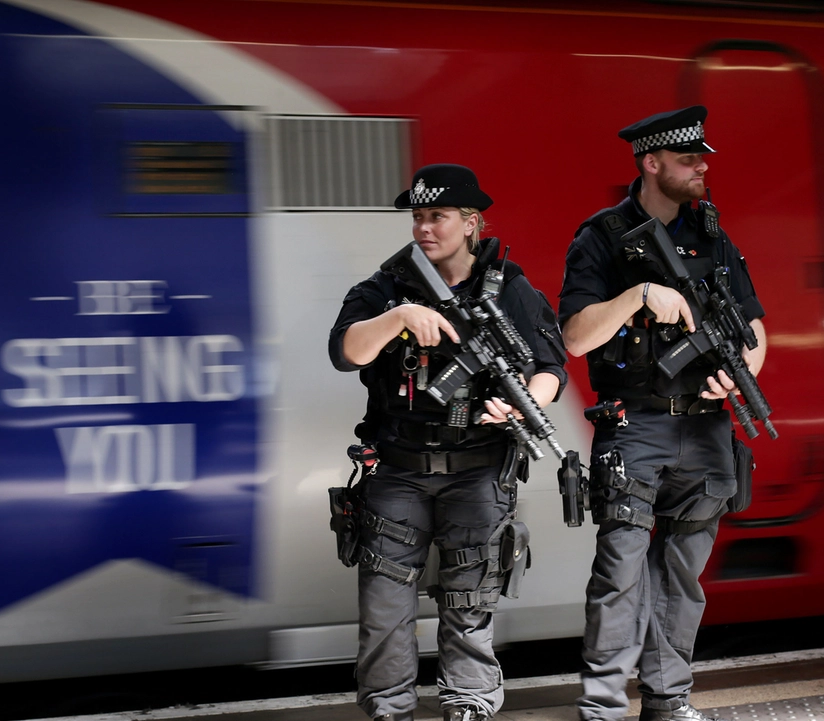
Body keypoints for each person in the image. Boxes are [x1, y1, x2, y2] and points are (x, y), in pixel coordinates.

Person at [329, 164, 567, 721]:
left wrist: (522, 400)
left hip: (478, 468)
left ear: (471, 222)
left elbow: (551, 367)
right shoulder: (384, 288)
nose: (424, 228)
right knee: (386, 605)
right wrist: (400, 316)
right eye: (418, 217)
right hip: (398, 469)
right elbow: (347, 351)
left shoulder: (511, 289)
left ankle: (469, 703)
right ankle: (390, 710)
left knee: (470, 596)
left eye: (437, 216)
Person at [558, 107, 767, 721]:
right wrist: (638, 296)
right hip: (636, 428)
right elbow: (574, 337)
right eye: (688, 159)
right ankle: (601, 707)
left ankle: (668, 700)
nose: (703, 165)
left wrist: (741, 370)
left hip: (705, 430)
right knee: (620, 573)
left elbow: (752, 323)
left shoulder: (713, 233)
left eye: (702, 156)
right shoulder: (600, 236)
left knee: (682, 579)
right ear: (651, 163)